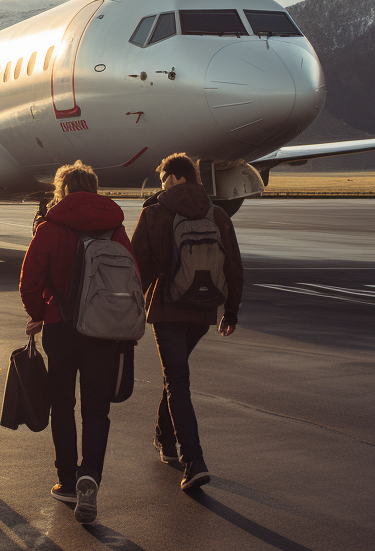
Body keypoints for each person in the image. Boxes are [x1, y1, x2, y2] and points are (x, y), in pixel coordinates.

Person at [19, 161, 137, 524]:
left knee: (63, 404)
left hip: (61, 327)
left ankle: (67, 480)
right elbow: (133, 274)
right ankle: (91, 477)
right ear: (95, 187)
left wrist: (38, 311)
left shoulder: (51, 227)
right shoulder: (115, 227)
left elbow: (29, 279)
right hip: (103, 331)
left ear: (63, 190)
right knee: (97, 409)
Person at [131, 153, 243, 492]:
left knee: (176, 379)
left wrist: (133, 306)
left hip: (167, 307)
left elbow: (138, 265)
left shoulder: (154, 213)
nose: (162, 184)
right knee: (176, 376)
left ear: (176, 177)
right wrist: (232, 311)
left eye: (165, 178)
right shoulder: (218, 213)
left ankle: (193, 460)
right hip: (204, 309)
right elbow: (234, 265)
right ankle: (165, 439)